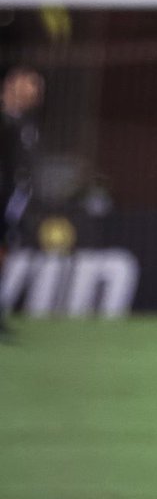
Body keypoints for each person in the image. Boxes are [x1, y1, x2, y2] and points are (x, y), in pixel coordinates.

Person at [0, 66, 44, 338]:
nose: (37, 92)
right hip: (3, 197)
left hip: (13, 202)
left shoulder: (25, 123)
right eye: (32, 85)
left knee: (4, 254)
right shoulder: (5, 119)